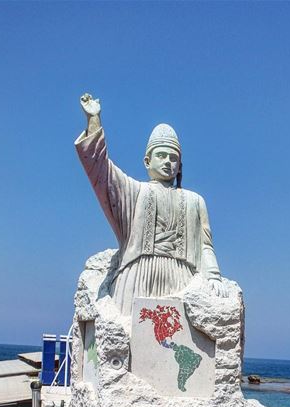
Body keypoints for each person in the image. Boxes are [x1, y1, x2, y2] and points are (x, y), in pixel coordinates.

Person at [75, 93, 227, 317]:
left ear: (180, 165)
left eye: (173, 158)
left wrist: (213, 276)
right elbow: (102, 172)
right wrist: (94, 120)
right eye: (162, 155)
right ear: (147, 161)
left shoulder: (195, 201)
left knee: (178, 347)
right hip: (138, 277)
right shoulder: (136, 191)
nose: (167, 162)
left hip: (182, 279)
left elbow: (205, 245)